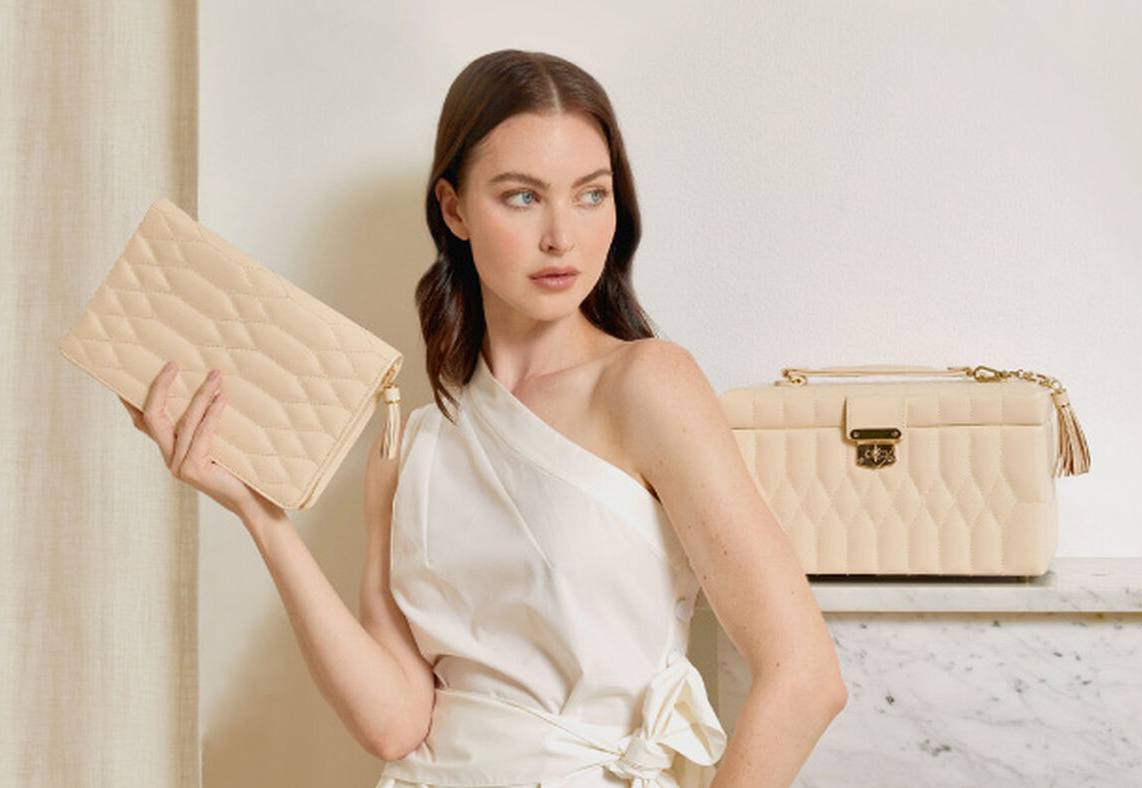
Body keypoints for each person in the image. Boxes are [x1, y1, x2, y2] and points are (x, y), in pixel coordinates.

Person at [122, 49, 846, 787]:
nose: (562, 235)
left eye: (591, 195)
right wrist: (261, 517)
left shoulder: (647, 386)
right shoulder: (420, 439)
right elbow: (397, 723)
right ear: (454, 208)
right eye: (522, 197)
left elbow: (805, 677)